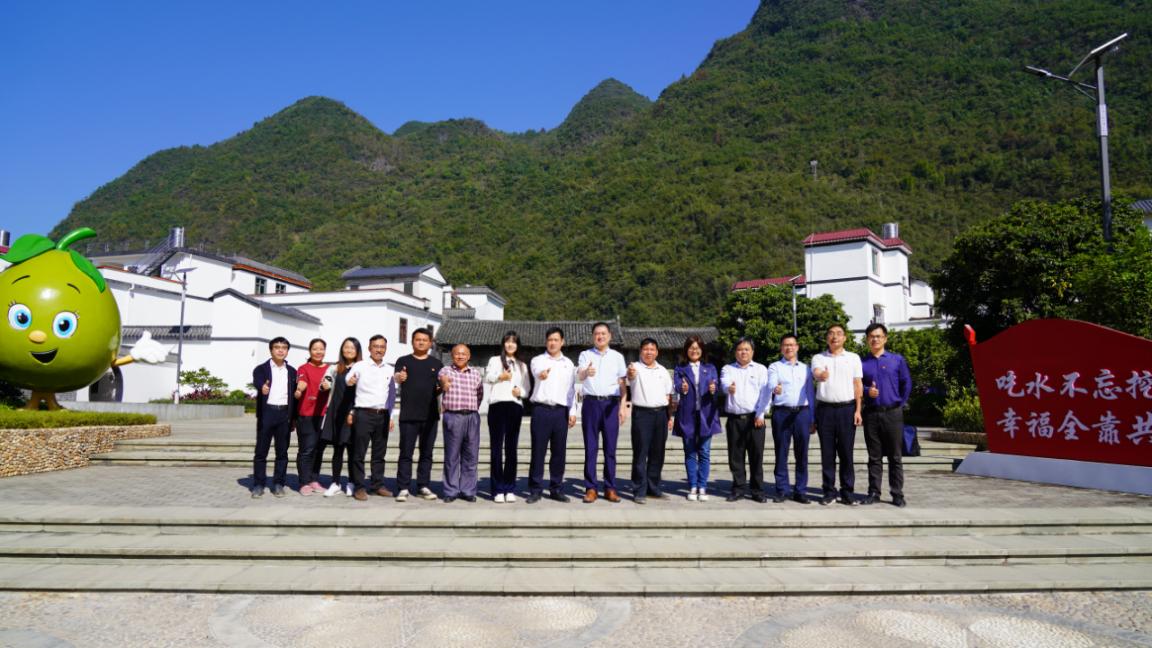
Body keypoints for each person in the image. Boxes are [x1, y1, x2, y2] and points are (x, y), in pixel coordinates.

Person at [576, 322, 629, 503]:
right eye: (597, 334)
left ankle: (610, 488)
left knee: (610, 449)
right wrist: (586, 372)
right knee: (591, 448)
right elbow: (580, 375)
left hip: (611, 404)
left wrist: (623, 406)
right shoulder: (585, 355)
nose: (600, 336)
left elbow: (622, 383)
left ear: (610, 336)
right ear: (593, 337)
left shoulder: (617, 357)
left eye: (603, 333)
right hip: (591, 404)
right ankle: (591, 488)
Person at [860, 323, 912, 508]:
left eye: (878, 336)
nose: (875, 339)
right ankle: (874, 492)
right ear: (867, 339)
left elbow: (907, 383)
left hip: (893, 413)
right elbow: (857, 385)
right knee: (874, 457)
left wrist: (900, 403)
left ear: (885, 338)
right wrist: (867, 391)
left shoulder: (897, 360)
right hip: (871, 414)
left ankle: (897, 493)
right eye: (871, 336)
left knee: (895, 457)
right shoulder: (862, 363)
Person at [811, 324, 863, 506]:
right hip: (825, 410)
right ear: (827, 338)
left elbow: (858, 385)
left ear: (845, 338)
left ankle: (847, 492)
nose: (835, 337)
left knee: (846, 453)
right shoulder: (818, 358)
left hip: (847, 410)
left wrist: (858, 410)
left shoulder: (853, 358)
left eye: (839, 334)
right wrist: (821, 375)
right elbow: (816, 373)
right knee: (827, 453)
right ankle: (829, 491)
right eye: (831, 334)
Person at [526, 326, 578, 503]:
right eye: (550, 340)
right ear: (546, 342)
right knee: (538, 452)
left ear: (562, 342)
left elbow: (571, 390)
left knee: (559, 453)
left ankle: (556, 488)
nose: (553, 343)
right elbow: (537, 372)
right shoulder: (538, 360)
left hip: (560, 412)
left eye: (556, 340)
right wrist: (541, 375)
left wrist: (572, 411)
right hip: (541, 410)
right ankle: (535, 489)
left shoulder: (568, 364)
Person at [393, 328, 443, 502]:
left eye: (424, 340)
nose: (421, 342)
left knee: (426, 453)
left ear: (430, 343)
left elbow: (439, 387)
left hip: (430, 416)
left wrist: (442, 387)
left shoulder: (437, 364)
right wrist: (399, 376)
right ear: (412, 341)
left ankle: (423, 485)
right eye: (417, 339)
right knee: (406, 453)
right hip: (408, 415)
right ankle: (403, 487)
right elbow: (397, 377)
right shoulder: (403, 361)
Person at [766, 334, 816, 504]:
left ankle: (800, 490)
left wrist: (813, 418)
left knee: (802, 454)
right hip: (782, 413)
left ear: (797, 347)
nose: (789, 348)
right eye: (785, 345)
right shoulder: (775, 367)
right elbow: (772, 383)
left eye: (792, 345)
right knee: (781, 452)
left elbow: (810, 393)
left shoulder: (806, 368)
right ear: (781, 348)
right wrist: (775, 388)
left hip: (802, 413)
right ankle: (782, 489)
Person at [346, 335, 397, 501]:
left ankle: (377, 485)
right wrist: (350, 380)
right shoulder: (360, 366)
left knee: (379, 454)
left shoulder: (389, 369)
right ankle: (359, 487)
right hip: (363, 414)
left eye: (382, 347)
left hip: (382, 415)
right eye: (376, 346)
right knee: (359, 453)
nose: (379, 350)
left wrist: (391, 416)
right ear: (369, 348)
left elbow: (392, 395)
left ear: (385, 349)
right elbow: (348, 379)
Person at [720, 338, 771, 502]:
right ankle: (738, 488)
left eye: (747, 349)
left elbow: (766, 394)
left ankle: (757, 490)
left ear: (752, 352)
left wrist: (761, 414)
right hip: (735, 420)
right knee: (736, 456)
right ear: (735, 352)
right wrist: (729, 388)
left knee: (756, 456)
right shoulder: (728, 369)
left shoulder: (761, 369)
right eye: (740, 349)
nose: (743, 352)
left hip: (755, 419)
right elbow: (724, 383)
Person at [672, 335, 721, 502]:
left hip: (706, 414)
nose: (694, 350)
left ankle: (702, 486)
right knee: (690, 452)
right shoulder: (680, 368)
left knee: (705, 452)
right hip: (687, 415)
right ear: (686, 350)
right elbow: (677, 385)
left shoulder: (710, 367)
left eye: (697, 348)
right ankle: (693, 485)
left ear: (702, 350)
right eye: (691, 348)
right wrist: (683, 388)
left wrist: (714, 388)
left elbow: (716, 385)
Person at [485, 331, 531, 503]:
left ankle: (509, 488)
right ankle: (497, 489)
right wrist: (500, 376)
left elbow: (527, 388)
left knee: (511, 449)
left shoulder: (522, 365)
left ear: (518, 345)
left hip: (514, 406)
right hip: (497, 405)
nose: (510, 344)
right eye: (507, 341)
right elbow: (487, 378)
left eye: (514, 342)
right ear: (503, 344)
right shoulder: (495, 360)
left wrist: (521, 392)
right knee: (496, 449)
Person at [626, 338, 674, 504]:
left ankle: (653, 488)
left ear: (657, 352)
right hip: (642, 414)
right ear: (640, 351)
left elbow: (668, 395)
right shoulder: (635, 367)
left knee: (657, 453)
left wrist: (670, 416)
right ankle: (639, 490)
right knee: (640, 453)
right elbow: (630, 377)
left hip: (661, 414)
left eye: (652, 349)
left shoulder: (663, 370)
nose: (649, 352)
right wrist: (631, 373)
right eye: (645, 349)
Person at [250, 337, 297, 498]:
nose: (280, 350)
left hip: (284, 414)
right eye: (277, 347)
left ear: (287, 351)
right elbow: (257, 381)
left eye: (284, 347)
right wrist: (262, 387)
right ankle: (258, 484)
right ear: (271, 350)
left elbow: (295, 396)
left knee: (282, 453)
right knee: (261, 452)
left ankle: (278, 484)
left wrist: (293, 418)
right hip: (267, 413)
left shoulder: (292, 371)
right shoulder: (261, 369)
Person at [439, 344, 484, 503]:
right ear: (452, 356)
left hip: (472, 416)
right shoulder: (445, 371)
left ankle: (468, 490)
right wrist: (444, 384)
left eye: (464, 354)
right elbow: (442, 381)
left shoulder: (476, 374)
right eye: (457, 353)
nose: (460, 356)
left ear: (469, 356)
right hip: (453, 416)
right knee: (452, 456)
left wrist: (473, 410)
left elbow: (480, 394)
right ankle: (451, 491)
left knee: (471, 455)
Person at [319, 337, 361, 497]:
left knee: (352, 450)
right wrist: (325, 385)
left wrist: (354, 412)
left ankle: (351, 482)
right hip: (337, 412)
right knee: (338, 449)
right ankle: (335, 483)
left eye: (352, 348)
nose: (349, 350)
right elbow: (327, 380)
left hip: (355, 412)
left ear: (357, 351)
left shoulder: (361, 368)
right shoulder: (335, 367)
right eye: (346, 347)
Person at [294, 338, 329, 496]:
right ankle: (304, 482)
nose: (318, 352)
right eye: (315, 349)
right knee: (306, 449)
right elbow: (301, 382)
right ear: (309, 351)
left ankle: (314, 479)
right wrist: (300, 389)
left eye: (321, 349)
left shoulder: (329, 369)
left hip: (323, 415)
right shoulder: (303, 368)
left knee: (318, 449)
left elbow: (332, 384)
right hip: (306, 414)